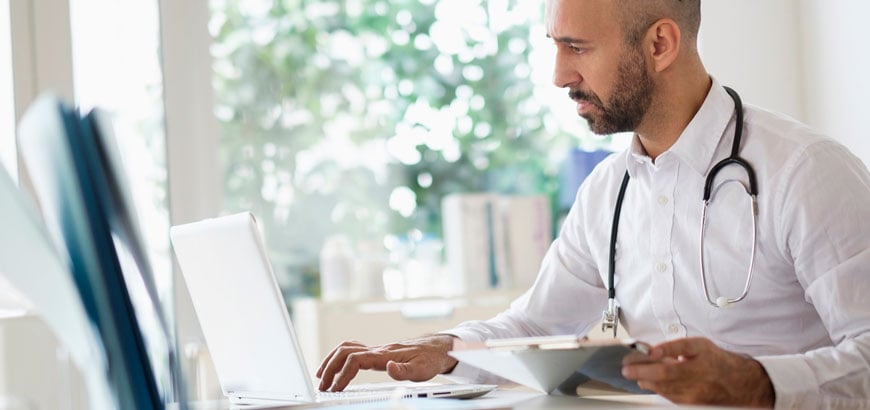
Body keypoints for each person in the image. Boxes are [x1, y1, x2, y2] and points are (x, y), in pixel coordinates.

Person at [316, 0, 870, 407]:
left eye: (577, 47)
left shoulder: (807, 172)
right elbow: (537, 322)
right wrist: (450, 347)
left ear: (660, 44)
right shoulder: (607, 190)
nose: (559, 76)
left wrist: (758, 382)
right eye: (554, 46)